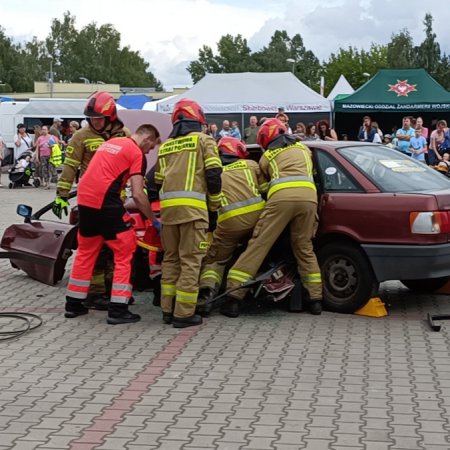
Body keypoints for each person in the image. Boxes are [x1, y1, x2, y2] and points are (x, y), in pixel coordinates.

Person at [221, 118, 322, 318]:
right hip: (309, 199)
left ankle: (233, 297)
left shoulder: (267, 156)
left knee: (259, 245)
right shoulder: (304, 149)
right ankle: (316, 300)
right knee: (304, 246)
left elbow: (265, 186)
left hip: (281, 200)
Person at [64, 124, 161, 324]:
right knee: (126, 250)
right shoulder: (136, 152)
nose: (150, 151)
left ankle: (73, 304)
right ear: (148, 139)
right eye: (151, 147)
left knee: (86, 251)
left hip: (85, 201)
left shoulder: (112, 143)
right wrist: (153, 220)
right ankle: (118, 309)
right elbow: (137, 193)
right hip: (105, 202)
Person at [53, 91, 131, 307]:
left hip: (117, 200)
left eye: (99, 118)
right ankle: (95, 293)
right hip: (92, 200)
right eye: (92, 118)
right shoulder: (82, 136)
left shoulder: (124, 134)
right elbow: (70, 166)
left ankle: (113, 290)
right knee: (95, 249)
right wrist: (61, 195)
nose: (95, 122)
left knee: (115, 250)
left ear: (111, 117)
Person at [155, 98, 223, 328]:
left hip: (168, 213)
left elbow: (154, 181)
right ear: (199, 120)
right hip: (193, 212)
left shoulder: (165, 146)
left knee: (171, 260)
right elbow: (214, 175)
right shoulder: (205, 140)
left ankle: (167, 309)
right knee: (191, 261)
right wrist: (213, 209)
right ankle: (183, 314)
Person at [196, 137, 268, 316]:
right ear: (239, 152)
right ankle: (236, 297)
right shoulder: (251, 165)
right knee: (253, 256)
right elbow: (267, 190)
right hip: (258, 220)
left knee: (215, 260)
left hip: (229, 223)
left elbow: (208, 201)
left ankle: (206, 295)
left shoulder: (214, 172)